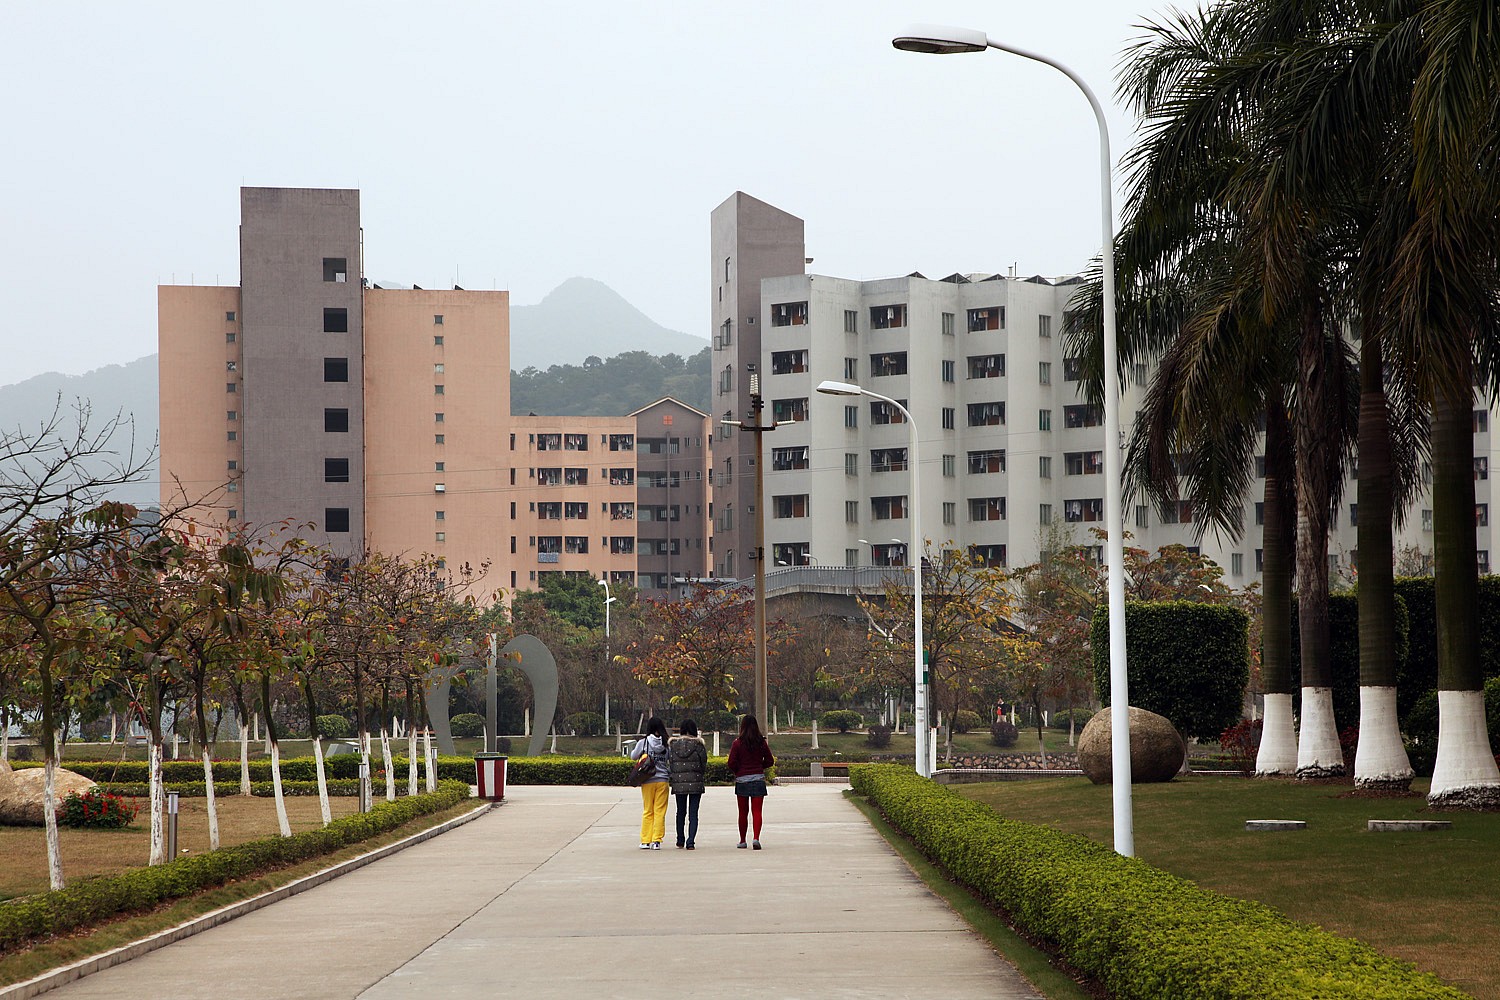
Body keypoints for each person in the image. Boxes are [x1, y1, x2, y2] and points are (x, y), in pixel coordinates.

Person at [727, 714, 775, 850]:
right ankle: (756, 838)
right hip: (758, 780)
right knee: (757, 811)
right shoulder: (761, 742)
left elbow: (731, 762)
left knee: (743, 812)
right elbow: (770, 760)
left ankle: (742, 841)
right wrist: (760, 767)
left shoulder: (737, 743)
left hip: (742, 781)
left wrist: (739, 771)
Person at [630, 717, 671, 850]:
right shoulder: (666, 743)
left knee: (648, 810)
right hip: (663, 781)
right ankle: (656, 841)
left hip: (647, 780)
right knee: (660, 811)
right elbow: (670, 760)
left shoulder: (643, 742)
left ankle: (645, 840)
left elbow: (633, 756)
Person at [668, 719, 708, 849]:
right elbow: (703, 764)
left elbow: (671, 764)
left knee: (680, 812)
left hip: (679, 783)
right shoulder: (699, 745)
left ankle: (680, 839)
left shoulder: (673, 745)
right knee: (693, 814)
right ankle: (690, 842)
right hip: (696, 782)